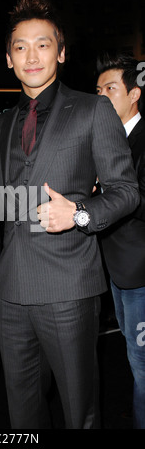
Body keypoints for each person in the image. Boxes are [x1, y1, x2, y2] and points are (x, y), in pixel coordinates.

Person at [0, 0, 140, 429]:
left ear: (62, 52)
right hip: (11, 293)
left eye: (42, 44)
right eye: (20, 47)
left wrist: (79, 214)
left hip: (69, 289)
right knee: (22, 414)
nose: (31, 55)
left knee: (80, 412)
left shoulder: (94, 111)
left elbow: (127, 191)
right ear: (9, 58)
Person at [96, 53, 145, 429]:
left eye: (110, 89)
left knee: (141, 359)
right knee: (133, 355)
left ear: (134, 94)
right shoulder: (108, 140)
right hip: (117, 270)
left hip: (140, 271)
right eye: (98, 90)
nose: (102, 97)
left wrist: (109, 197)